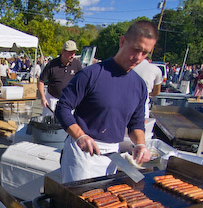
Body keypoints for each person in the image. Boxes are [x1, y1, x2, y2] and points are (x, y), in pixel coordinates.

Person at [54, 20, 157, 183]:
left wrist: (140, 144)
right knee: (79, 203)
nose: (138, 58)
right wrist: (80, 136)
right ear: (122, 41)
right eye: (136, 49)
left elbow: (136, 123)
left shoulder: (139, 86)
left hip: (112, 155)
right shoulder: (91, 74)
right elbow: (62, 108)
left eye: (145, 53)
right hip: (82, 154)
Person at [38, 40, 82, 116]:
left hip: (69, 101)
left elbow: (81, 81)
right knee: (49, 124)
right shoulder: (51, 64)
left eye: (74, 53)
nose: (73, 55)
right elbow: (41, 82)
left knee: (68, 125)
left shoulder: (76, 64)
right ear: (63, 52)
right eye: (70, 53)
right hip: (52, 100)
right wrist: (43, 98)